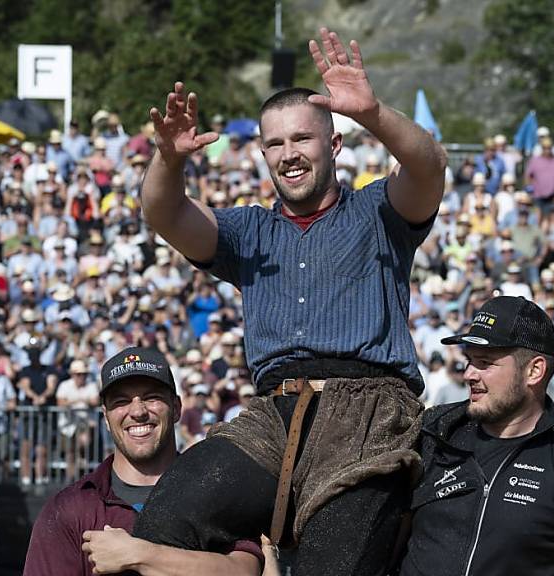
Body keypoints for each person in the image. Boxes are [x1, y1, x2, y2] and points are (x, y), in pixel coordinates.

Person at [136, 27, 446, 576]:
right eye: (275, 144)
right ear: (262, 153)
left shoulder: (377, 211)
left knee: (331, 563)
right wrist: (168, 160)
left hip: (368, 410)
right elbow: (165, 215)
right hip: (274, 414)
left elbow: (428, 167)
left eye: (301, 139)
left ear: (334, 145)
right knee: (167, 516)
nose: (288, 154)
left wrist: (373, 112)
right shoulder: (248, 230)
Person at [23, 346, 263, 576]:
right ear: (106, 418)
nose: (137, 411)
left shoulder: (217, 493)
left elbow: (245, 571)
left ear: (177, 408)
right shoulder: (69, 509)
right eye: (121, 401)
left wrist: (140, 555)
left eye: (151, 397)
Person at [397, 295, 554, 576]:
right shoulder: (433, 432)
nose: (469, 374)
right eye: (469, 360)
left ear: (534, 370)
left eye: (485, 362)